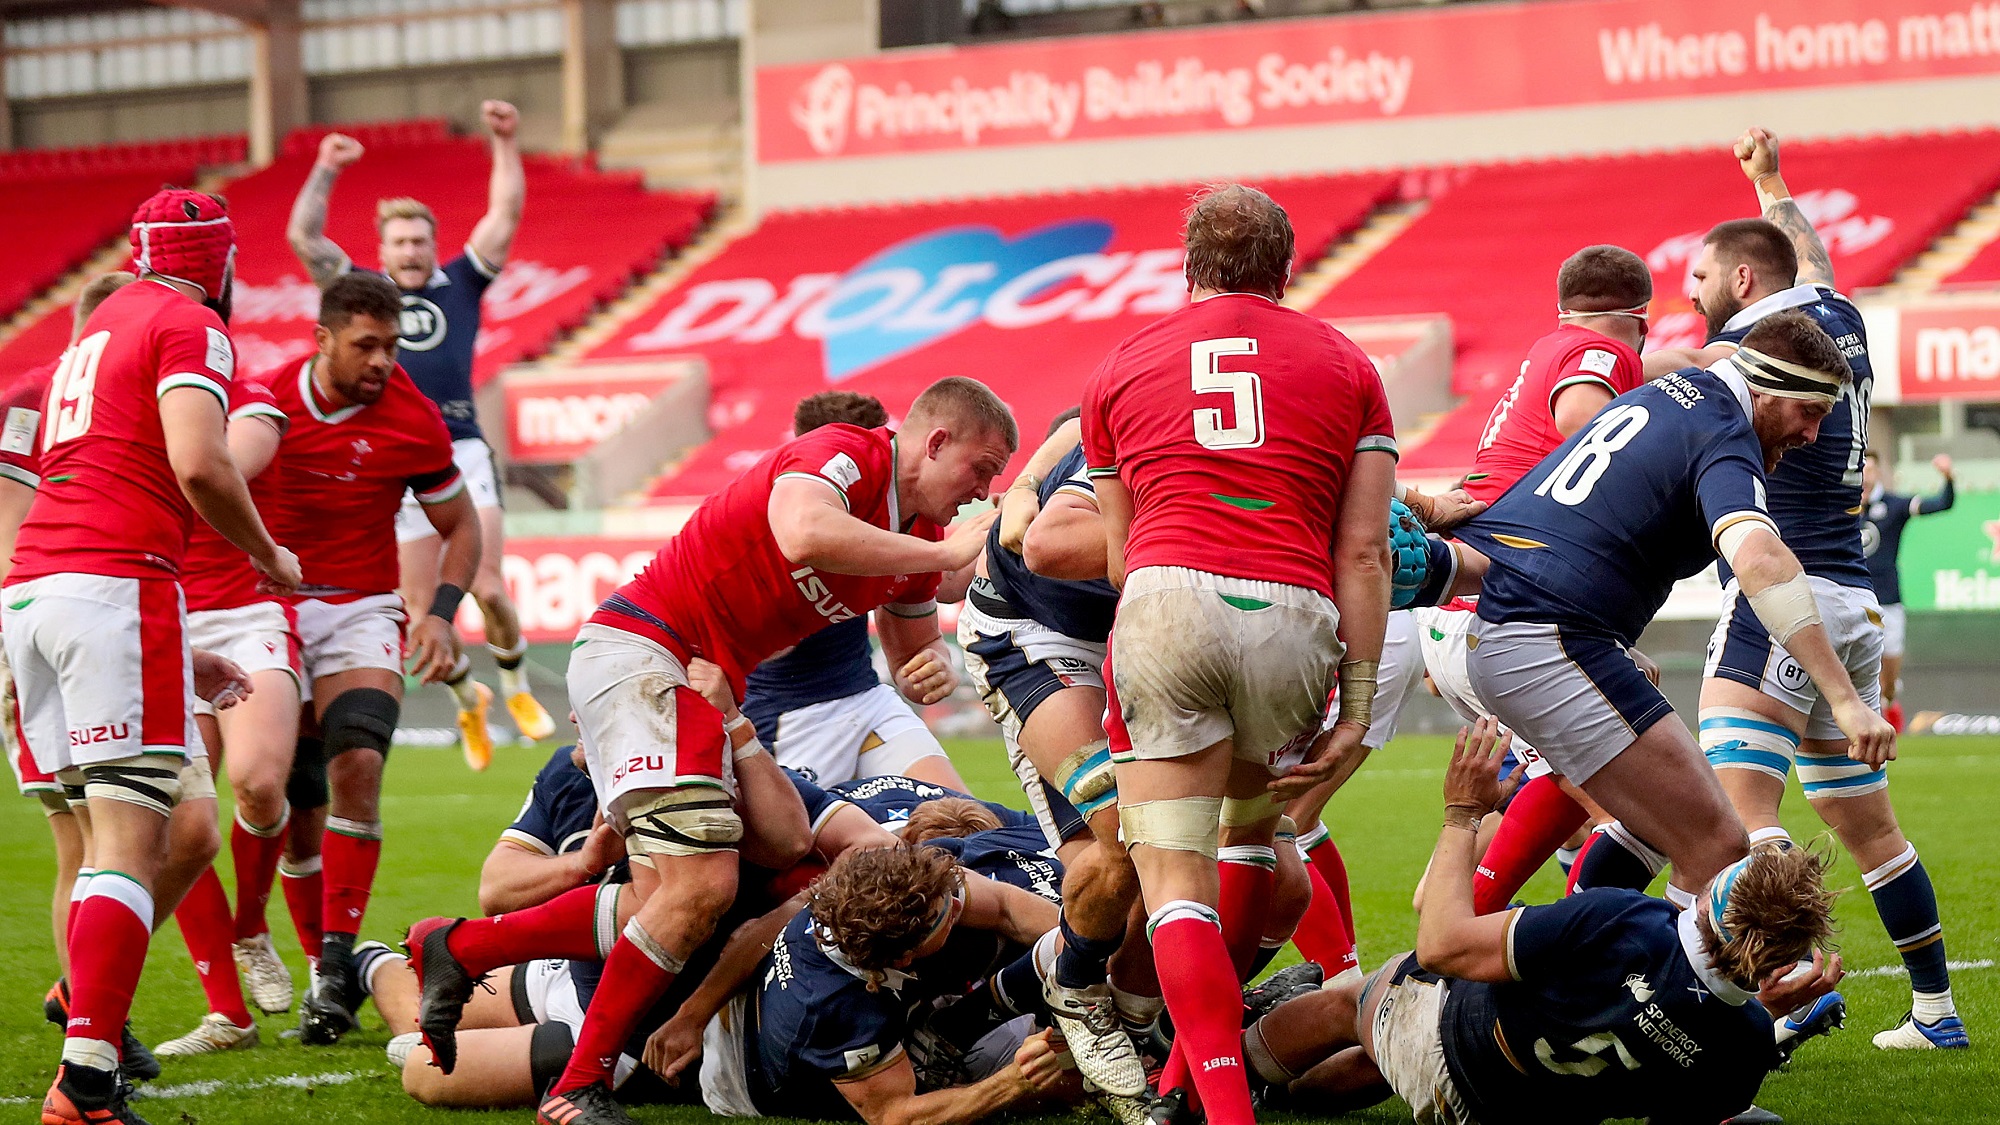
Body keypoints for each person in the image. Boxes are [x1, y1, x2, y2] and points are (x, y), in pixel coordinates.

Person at [404, 376, 1015, 1125]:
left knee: (688, 886)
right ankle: (576, 1083)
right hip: (652, 651)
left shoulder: (916, 544)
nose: (985, 488)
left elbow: (915, 646)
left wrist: (933, 663)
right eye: (982, 468)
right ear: (936, 441)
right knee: (704, 887)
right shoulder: (849, 453)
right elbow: (802, 530)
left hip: (694, 680)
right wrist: (954, 547)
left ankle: (461, 948)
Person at [1082, 183, 1398, 1125]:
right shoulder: (1349, 363)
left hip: (1169, 597)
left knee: (1172, 874)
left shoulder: (1119, 365)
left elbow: (1115, 551)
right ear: (1288, 267)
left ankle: (1218, 1106)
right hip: (1293, 616)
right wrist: (1360, 697)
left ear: (1186, 266)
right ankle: (1185, 1081)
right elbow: (1366, 551)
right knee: (1252, 838)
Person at [13, 189, 301, 1125]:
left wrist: (179, 658)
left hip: (40, 591)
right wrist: (268, 555)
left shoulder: (88, 337)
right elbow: (201, 463)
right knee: (129, 845)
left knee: (132, 835)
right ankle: (87, 1079)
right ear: (218, 262)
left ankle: (86, 1038)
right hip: (115, 586)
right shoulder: (189, 322)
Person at [1453, 311, 1894, 914]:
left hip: (1530, 634)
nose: (1814, 435)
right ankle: (1620, 990)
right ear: (1764, 387)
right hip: (1552, 642)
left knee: (1664, 829)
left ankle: (1600, 980)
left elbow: (1532, 533)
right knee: (1716, 841)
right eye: (1810, 411)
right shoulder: (1723, 433)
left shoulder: (1659, 400)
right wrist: (1844, 700)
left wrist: (1435, 564)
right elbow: (1762, 561)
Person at [1679, 128, 1965, 1051]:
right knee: (1870, 829)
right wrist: (1769, 181)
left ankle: (1793, 997)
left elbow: (1672, 390)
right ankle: (1935, 1011)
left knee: (1737, 818)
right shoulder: (1838, 316)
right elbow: (1807, 245)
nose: (1693, 293)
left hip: (1783, 596)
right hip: (1850, 601)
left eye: (1702, 278)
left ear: (1746, 283)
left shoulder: (1753, 348)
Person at [1238, 718, 1846, 1125]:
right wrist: (1755, 1014)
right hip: (1508, 1113)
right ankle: (1286, 1098)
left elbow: (1442, 946)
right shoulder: (1743, 1044)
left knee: (1366, 997)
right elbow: (1688, 1053)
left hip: (1455, 1047)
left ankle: (1231, 1066)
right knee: (1386, 1052)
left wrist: (1462, 812)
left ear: (1719, 895)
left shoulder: (1626, 920)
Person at [286, 101, 549, 767]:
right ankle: (469, 698)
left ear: (433, 244)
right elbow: (304, 239)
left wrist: (506, 140)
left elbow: (507, 214)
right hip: (392, 455)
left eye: (418, 241)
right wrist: (323, 168)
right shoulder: (364, 292)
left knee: (488, 586)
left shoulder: (460, 281)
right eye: (399, 242)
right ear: (382, 250)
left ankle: (514, 682)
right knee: (416, 605)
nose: (409, 251)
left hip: (459, 444)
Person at [262, 271, 483, 1045]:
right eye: (366, 345)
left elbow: (461, 526)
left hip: (361, 606)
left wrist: (443, 615)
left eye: (391, 345)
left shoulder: (414, 419)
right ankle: (312, 964)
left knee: (360, 758)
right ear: (321, 339)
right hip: (272, 604)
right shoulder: (263, 402)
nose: (384, 360)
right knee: (295, 800)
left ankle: (331, 970)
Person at [1414, 244, 1654, 915]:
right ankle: (1748, 951)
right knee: (1660, 802)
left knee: (1572, 780)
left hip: (1464, 607)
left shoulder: (1547, 349)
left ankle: (1457, 909)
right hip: (1504, 611)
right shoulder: (1599, 354)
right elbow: (1585, 417)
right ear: (1642, 319)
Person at [960, 407, 1152, 1093]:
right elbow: (1038, 538)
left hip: (1140, 638)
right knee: (1127, 837)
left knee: (1271, 870)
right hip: (1032, 633)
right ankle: (1078, 994)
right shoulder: (1145, 419)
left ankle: (1141, 1019)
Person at [688, 846, 1072, 1125]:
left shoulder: (866, 888)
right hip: (755, 1082)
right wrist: (1009, 1085)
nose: (956, 907)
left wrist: (1089, 947)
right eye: (944, 917)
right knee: (1059, 1076)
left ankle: (947, 1029)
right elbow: (895, 1116)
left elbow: (1004, 905)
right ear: (903, 957)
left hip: (764, 1015)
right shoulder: (834, 1009)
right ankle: (944, 1043)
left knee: (991, 935)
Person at [155, 357, 304, 1056]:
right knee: (175, 818)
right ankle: (228, 1015)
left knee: (259, 780)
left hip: (248, 612)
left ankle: (250, 928)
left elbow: (221, 466)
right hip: (163, 613)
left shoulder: (244, 393)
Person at [743, 391, 967, 790]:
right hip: (787, 718)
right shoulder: (780, 525)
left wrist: (933, 662)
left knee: (964, 821)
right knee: (814, 850)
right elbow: (753, 642)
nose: (861, 466)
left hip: (866, 699)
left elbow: (933, 597)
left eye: (872, 451)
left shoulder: (901, 515)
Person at [1862, 449, 1955, 731]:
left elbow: (1941, 504)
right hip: (1853, 598)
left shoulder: (1893, 505)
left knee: (1888, 680)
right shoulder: (1840, 504)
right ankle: (1867, 722)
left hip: (1888, 600)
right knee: (1859, 668)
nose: (1864, 475)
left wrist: (1949, 478)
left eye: (1870, 469)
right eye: (1860, 468)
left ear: (1878, 473)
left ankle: (1890, 699)